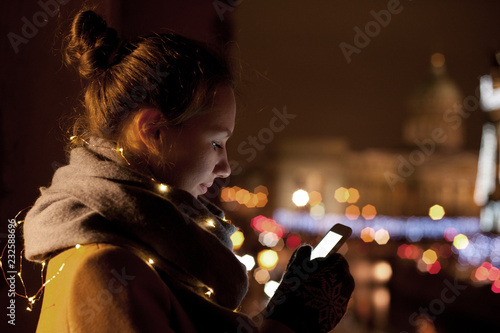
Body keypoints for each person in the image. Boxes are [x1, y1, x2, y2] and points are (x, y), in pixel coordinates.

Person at [23, 9, 355, 333]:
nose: (225, 168)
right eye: (216, 143)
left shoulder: (141, 252)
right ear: (154, 131)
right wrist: (290, 325)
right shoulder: (106, 271)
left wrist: (277, 313)